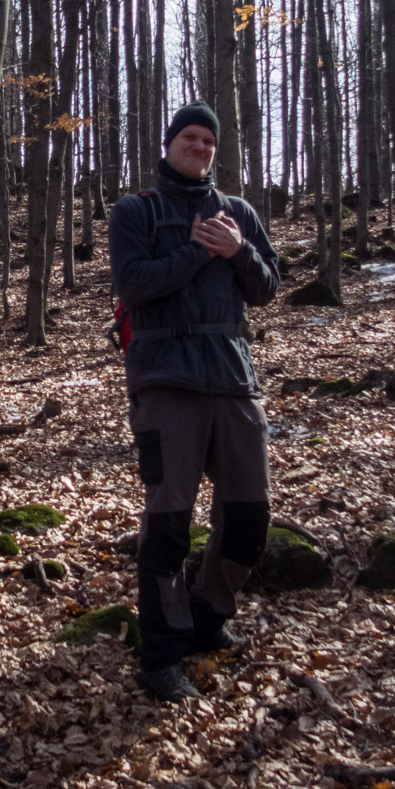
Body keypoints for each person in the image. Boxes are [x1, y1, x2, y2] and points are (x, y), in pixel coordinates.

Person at [109, 100, 281, 702]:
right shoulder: (137, 211)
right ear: (168, 143)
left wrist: (237, 250)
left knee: (250, 521)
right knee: (170, 524)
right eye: (190, 136)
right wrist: (200, 252)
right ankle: (160, 653)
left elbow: (267, 288)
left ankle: (207, 620)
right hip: (165, 383)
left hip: (234, 381)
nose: (200, 147)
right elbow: (135, 285)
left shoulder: (238, 214)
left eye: (209, 140)